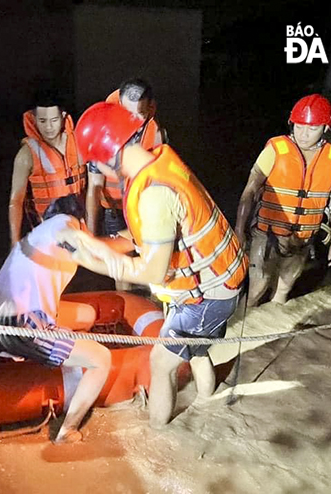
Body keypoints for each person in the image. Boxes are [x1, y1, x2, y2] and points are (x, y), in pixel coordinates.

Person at [59, 102, 248, 429]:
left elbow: (152, 272)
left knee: (161, 363)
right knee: (198, 349)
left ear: (108, 156)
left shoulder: (154, 194)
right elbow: (139, 237)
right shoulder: (157, 162)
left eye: (94, 165)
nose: (96, 173)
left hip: (206, 294)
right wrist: (93, 241)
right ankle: (207, 405)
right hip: (219, 281)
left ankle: (159, 433)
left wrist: (88, 260)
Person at [0, 195, 111, 443]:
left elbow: (96, 248)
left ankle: (66, 356)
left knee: (86, 314)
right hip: (23, 327)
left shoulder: (40, 233)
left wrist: (126, 242)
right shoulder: (66, 225)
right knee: (102, 358)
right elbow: (83, 243)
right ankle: (67, 431)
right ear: (81, 222)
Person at [235, 94, 331, 306]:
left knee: (284, 289)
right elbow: (249, 191)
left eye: (312, 129)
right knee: (257, 288)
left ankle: (272, 329)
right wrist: (240, 230)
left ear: (325, 128)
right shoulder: (275, 151)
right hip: (268, 235)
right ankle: (240, 328)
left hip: (303, 239)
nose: (303, 134)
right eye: (298, 126)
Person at [85, 79, 167, 291]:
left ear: (150, 108)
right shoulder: (101, 134)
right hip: (116, 210)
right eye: (126, 113)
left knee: (154, 257)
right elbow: (94, 186)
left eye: (139, 114)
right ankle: (126, 304)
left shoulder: (157, 134)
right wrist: (92, 235)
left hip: (145, 209)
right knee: (122, 263)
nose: (132, 121)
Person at [8, 90, 86, 248]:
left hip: (80, 230)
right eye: (42, 121)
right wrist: (14, 241)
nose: (49, 127)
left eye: (54, 120)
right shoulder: (26, 154)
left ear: (63, 116)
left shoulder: (79, 144)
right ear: (34, 119)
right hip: (46, 233)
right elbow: (16, 201)